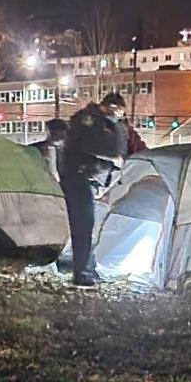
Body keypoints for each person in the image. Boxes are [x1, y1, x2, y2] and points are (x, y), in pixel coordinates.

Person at [58, 97, 128, 287]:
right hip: (79, 178)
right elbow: (86, 146)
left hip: (92, 180)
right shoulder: (87, 120)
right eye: (117, 111)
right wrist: (112, 157)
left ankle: (88, 268)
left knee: (88, 228)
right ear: (109, 107)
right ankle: (82, 274)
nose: (118, 116)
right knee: (82, 227)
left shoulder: (104, 122)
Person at [32, 116, 68, 184]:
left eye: (57, 130)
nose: (54, 134)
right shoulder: (36, 148)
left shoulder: (73, 151)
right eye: (52, 130)